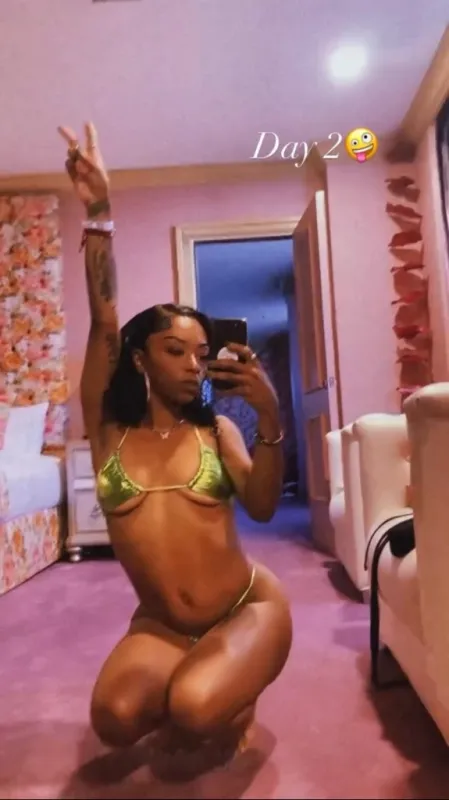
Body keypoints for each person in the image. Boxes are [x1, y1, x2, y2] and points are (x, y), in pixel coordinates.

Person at [58, 122, 293, 767]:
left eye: (201, 352)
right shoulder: (107, 432)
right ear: (139, 358)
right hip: (161, 625)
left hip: (245, 607)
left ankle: (233, 687)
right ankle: (202, 676)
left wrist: (269, 413)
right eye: (174, 350)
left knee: (194, 710)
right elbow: (104, 319)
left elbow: (265, 507)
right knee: (114, 720)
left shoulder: (215, 431)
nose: (194, 363)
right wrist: (99, 210)